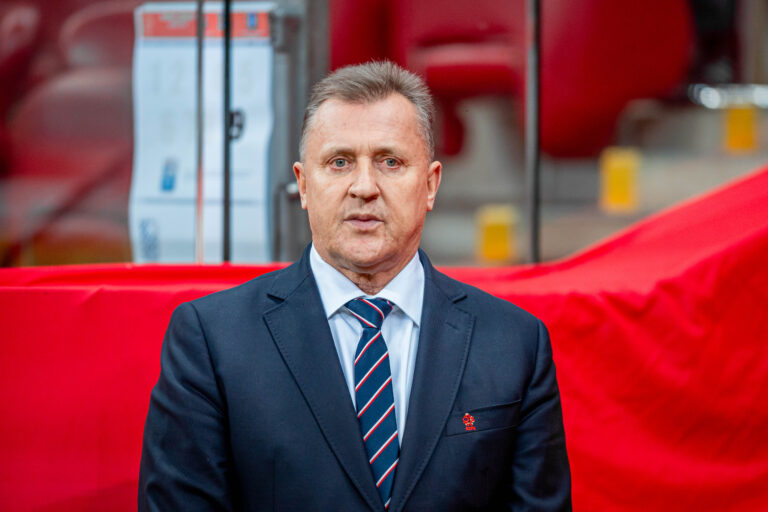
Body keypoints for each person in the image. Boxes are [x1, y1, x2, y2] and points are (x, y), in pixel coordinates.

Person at [138, 61, 571, 511]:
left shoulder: (515, 343)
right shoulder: (212, 340)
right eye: (339, 162)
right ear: (304, 185)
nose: (364, 187)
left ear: (430, 185)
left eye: (390, 162)